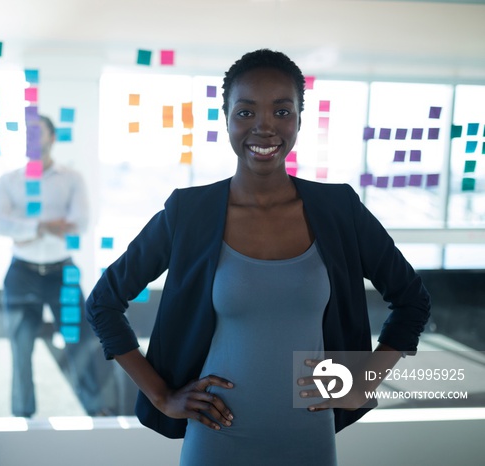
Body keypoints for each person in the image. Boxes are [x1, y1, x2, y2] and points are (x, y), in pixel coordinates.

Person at [86, 50, 431, 464]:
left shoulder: (338, 209)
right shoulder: (189, 213)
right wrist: (161, 395)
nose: (264, 127)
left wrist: (363, 383)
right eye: (246, 112)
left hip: (309, 439)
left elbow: (412, 300)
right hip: (215, 440)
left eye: (281, 111)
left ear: (299, 119)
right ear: (227, 119)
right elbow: (104, 302)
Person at [0, 114, 114, 417]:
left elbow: (80, 224)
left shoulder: (72, 179)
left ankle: (96, 409)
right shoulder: (8, 180)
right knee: (21, 349)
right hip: (21, 273)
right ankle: (22, 414)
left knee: (82, 342)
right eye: (25, 134)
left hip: (62, 272)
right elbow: (0, 225)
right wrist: (47, 224)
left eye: (36, 133)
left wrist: (28, 228)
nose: (29, 139)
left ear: (52, 138)